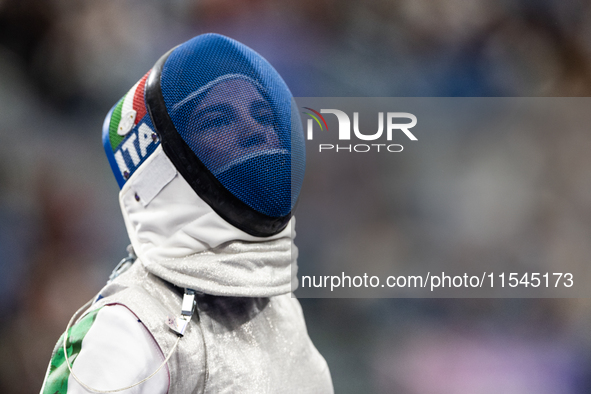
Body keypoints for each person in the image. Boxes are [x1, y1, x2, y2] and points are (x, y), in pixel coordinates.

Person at [40, 33, 333, 394]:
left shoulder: (281, 310)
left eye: (262, 114)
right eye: (218, 120)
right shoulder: (130, 328)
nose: (256, 130)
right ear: (161, 167)